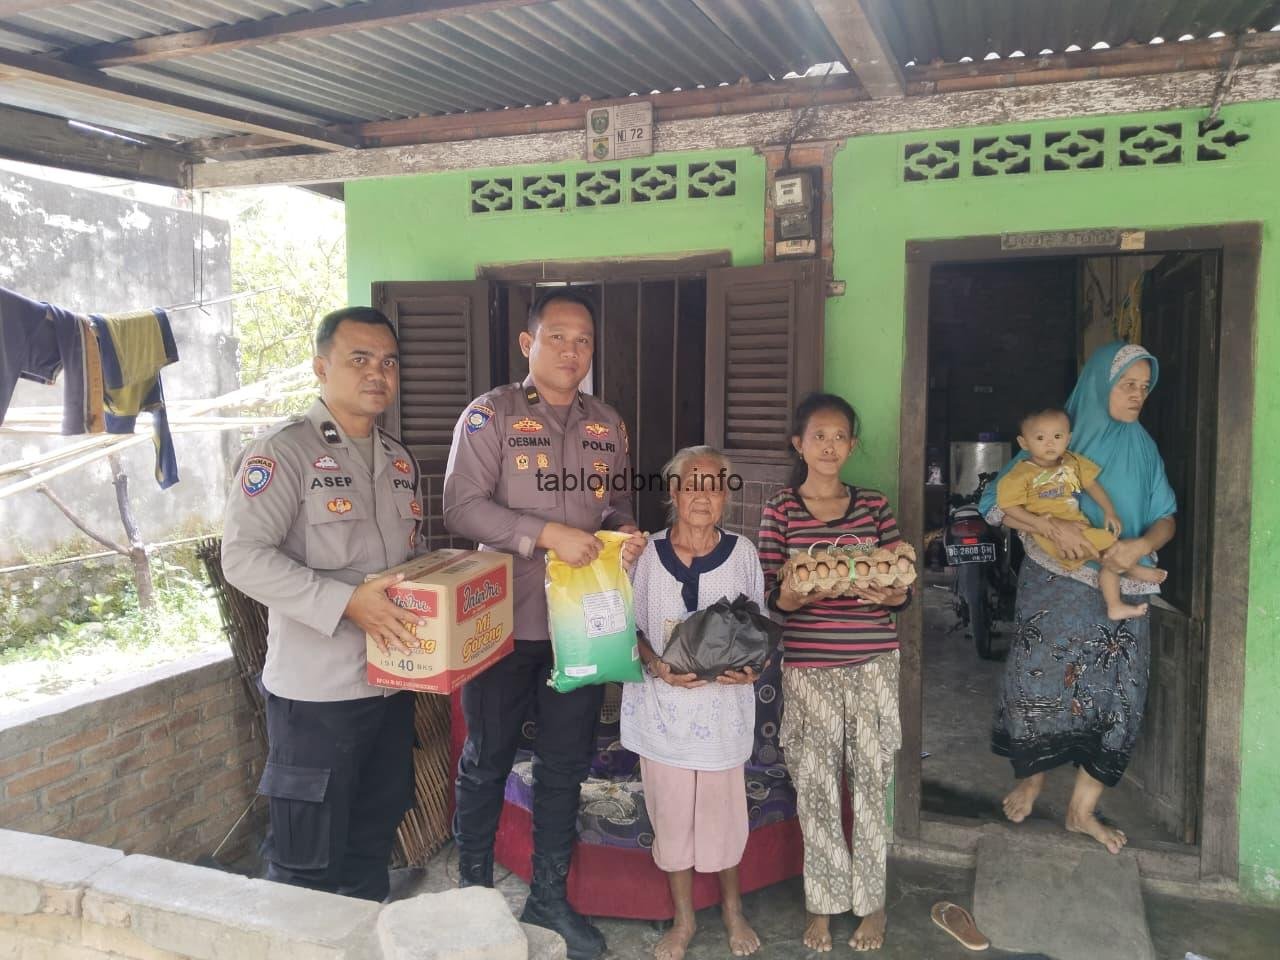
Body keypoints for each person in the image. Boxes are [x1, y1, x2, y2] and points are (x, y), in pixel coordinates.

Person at [443, 289, 646, 960]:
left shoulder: (607, 424)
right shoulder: (491, 415)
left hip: (580, 629)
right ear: (528, 344)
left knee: (564, 763)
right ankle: (473, 895)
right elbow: (462, 508)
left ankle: (549, 897)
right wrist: (546, 534)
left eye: (583, 340)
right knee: (486, 759)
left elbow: (614, 503)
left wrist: (624, 530)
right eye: (557, 337)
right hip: (502, 622)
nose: (571, 350)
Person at [222, 306, 426, 901]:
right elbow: (243, 557)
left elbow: (409, 561)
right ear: (320, 366)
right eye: (359, 359)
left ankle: (361, 929)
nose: (377, 373)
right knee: (305, 860)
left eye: (389, 362)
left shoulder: (399, 460)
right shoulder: (283, 453)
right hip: (318, 695)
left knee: (373, 834)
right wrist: (345, 604)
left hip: (391, 685)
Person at [980, 342, 1177, 853]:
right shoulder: (1060, 439)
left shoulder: (1144, 447)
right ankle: (1032, 780)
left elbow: (1166, 516)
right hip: (1056, 581)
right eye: (1127, 384)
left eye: (1144, 387)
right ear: (1099, 384)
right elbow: (993, 503)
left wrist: (1141, 545)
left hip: (1124, 580)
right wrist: (1047, 524)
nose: (1137, 395)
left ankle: (1081, 810)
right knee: (1041, 681)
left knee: (1119, 694)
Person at [757, 393, 910, 953]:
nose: (829, 445)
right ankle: (821, 904)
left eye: (839, 436)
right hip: (809, 667)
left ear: (852, 445)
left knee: (871, 782)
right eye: (818, 436)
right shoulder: (781, 510)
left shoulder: (874, 506)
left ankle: (872, 904)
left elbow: (900, 583)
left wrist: (895, 594)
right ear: (799, 445)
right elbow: (771, 595)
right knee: (817, 788)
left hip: (872, 663)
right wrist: (793, 595)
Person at [621, 446, 765, 960]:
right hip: (661, 712)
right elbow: (627, 627)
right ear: (674, 492)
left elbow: (758, 631)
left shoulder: (742, 553)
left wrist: (751, 668)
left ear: (726, 497)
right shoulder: (646, 555)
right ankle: (683, 921)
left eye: (715, 486)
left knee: (724, 815)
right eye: (692, 485)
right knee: (672, 816)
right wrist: (657, 665)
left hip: (721, 714)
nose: (703, 497)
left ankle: (733, 911)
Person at [996, 406, 1166, 622]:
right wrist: (1038, 523)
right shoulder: (1019, 475)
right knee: (1111, 548)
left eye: (1057, 437)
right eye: (1040, 438)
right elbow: (1008, 507)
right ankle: (1133, 570)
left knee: (1108, 553)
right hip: (1050, 536)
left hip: (1078, 526)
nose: (1050, 443)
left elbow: (1092, 484)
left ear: (1068, 439)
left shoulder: (1072, 461)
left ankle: (1114, 605)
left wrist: (1109, 511)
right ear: (1024, 443)